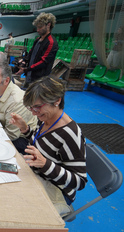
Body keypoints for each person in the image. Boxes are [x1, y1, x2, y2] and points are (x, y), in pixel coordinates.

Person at [9, 77, 87, 215]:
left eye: (37, 107)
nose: (33, 112)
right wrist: (25, 129)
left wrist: (45, 164)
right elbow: (41, 143)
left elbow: (80, 182)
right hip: (37, 176)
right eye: (31, 107)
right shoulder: (46, 118)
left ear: (57, 100)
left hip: (57, 191)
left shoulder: (70, 133)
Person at [0, 61, 37, 154]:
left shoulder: (16, 101)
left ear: (6, 81)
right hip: (3, 129)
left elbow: (12, 135)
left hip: (21, 139)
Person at [15, 12, 58, 87]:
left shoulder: (51, 42)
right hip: (30, 75)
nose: (37, 30)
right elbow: (31, 53)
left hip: (40, 79)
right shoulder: (38, 39)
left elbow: (43, 62)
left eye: (40, 27)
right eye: (37, 27)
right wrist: (24, 60)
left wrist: (26, 69)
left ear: (48, 25)